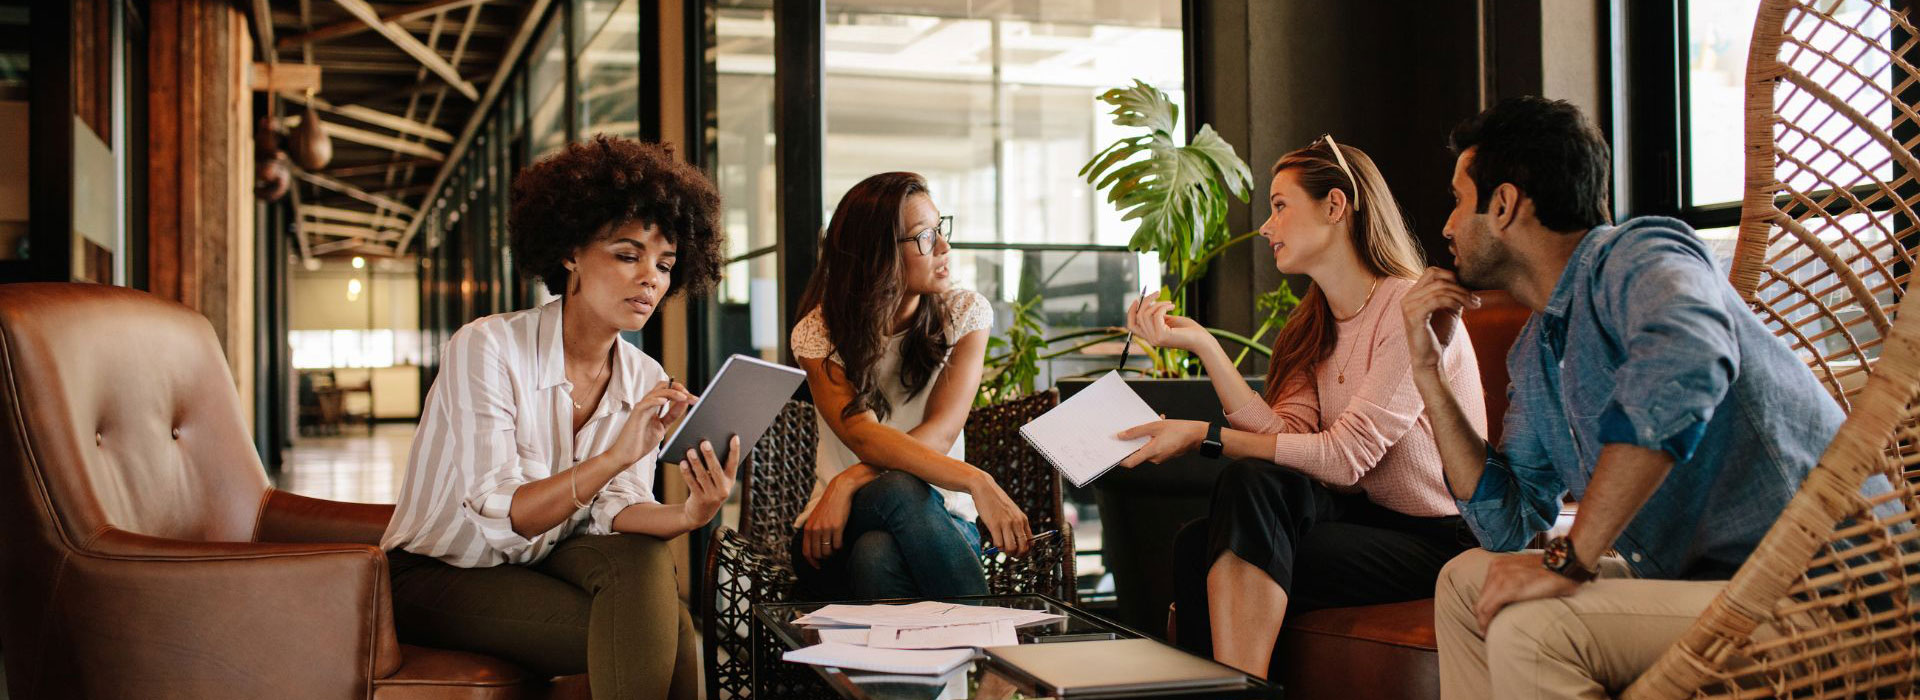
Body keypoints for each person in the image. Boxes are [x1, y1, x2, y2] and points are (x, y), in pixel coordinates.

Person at [1401, 96, 1852, 699]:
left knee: (1535, 631)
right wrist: (1427, 372)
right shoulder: (1537, 351)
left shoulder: (1638, 254)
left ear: (1503, 205)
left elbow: (1687, 360)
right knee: (1464, 582)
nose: (1446, 226)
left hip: (1828, 591)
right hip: (1705, 587)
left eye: (1458, 201)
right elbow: (1508, 527)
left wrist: (1573, 558)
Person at [1117, 137, 1484, 678]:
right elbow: (1285, 437)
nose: (1267, 226)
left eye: (1280, 205)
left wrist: (1205, 436)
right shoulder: (1313, 324)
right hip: (1362, 519)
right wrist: (1204, 346)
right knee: (1225, 513)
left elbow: (1345, 458)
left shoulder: (1409, 310)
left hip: (1437, 539)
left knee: (1212, 543)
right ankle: (1235, 690)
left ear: (1335, 206)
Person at [380, 136, 732, 700]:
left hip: (546, 558)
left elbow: (614, 509)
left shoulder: (643, 376)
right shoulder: (488, 347)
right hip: (444, 572)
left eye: (665, 264)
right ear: (570, 252)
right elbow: (503, 515)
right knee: (667, 640)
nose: (651, 279)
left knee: (647, 565)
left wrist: (690, 512)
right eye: (627, 254)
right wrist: (617, 453)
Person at [788, 171, 1034, 600]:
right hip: (835, 528)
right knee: (896, 492)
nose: (944, 248)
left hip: (942, 522)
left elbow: (940, 434)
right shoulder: (819, 333)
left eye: (941, 229)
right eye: (924, 237)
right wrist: (978, 480)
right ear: (876, 254)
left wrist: (848, 480)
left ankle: (890, 667)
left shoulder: (964, 314)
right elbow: (863, 436)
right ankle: (989, 641)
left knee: (877, 554)